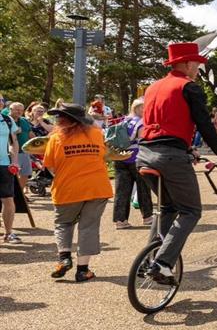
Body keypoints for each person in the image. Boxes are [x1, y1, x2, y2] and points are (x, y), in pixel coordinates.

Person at [138, 42, 217, 285]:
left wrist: (188, 148)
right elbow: (206, 126)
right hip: (169, 157)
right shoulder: (188, 87)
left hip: (144, 154)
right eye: (196, 64)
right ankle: (162, 263)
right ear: (184, 63)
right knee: (191, 211)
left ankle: (147, 261)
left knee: (169, 208)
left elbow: (165, 124)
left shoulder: (152, 88)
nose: (198, 69)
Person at [42, 104, 114, 281]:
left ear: (63, 120)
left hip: (67, 188)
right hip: (97, 187)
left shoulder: (56, 138)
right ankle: (83, 270)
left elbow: (50, 165)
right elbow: (103, 155)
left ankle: (64, 258)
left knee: (64, 224)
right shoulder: (97, 134)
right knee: (88, 227)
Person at [112, 98, 153, 229]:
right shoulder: (140, 122)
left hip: (120, 157)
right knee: (143, 188)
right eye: (143, 108)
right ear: (137, 108)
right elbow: (143, 140)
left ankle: (120, 220)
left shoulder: (124, 120)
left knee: (121, 191)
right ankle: (147, 217)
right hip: (136, 157)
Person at [0, 107, 20, 244]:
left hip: (4, 165)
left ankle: (8, 233)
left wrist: (14, 161)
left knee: (8, 199)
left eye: (1, 100)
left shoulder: (7, 119)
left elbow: (14, 142)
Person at [8, 102, 34, 195]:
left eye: (21, 110)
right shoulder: (6, 120)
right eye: (17, 109)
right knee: (12, 175)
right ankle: (11, 194)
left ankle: (19, 195)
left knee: (25, 173)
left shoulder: (24, 120)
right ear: (10, 109)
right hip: (11, 153)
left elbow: (30, 134)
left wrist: (36, 143)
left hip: (25, 152)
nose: (19, 112)